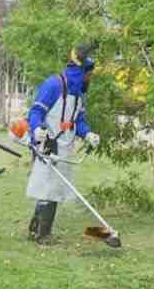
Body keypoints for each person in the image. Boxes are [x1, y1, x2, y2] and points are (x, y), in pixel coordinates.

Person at [25, 44, 100, 243]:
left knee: (55, 188)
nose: (89, 79)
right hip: (48, 143)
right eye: (89, 75)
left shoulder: (78, 95)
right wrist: (38, 128)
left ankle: (36, 230)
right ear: (81, 72)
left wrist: (88, 134)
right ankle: (42, 235)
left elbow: (78, 121)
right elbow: (36, 112)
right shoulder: (54, 84)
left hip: (66, 146)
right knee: (47, 187)